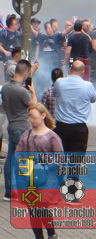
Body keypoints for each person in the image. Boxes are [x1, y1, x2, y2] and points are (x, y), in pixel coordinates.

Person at [16, 103, 63, 239]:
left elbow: (60, 158)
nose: (31, 120)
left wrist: (46, 167)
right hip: (29, 178)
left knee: (42, 208)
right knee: (32, 209)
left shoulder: (53, 136)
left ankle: (51, 234)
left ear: (43, 116)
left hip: (47, 179)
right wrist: (23, 165)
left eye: (34, 117)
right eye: (29, 117)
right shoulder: (26, 135)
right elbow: (18, 154)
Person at [1, 59, 37, 200]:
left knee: (10, 159)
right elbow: (33, 105)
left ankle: (9, 192)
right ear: (25, 73)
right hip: (23, 128)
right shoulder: (22, 91)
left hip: (11, 126)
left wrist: (32, 70)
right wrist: (33, 92)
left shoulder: (6, 88)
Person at [53, 60, 96, 152]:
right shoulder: (88, 86)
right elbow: (93, 99)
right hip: (79, 129)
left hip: (61, 127)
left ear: (69, 70)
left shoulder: (59, 82)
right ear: (83, 72)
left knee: (60, 158)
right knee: (76, 161)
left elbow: (55, 94)